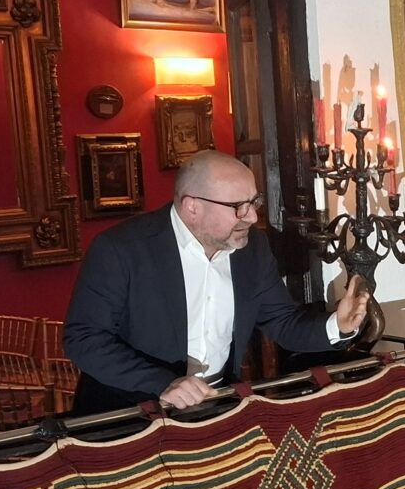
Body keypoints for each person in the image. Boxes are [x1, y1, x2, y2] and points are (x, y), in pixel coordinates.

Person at [63, 149, 370, 415]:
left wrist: (337, 325)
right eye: (238, 207)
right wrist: (162, 383)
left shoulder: (253, 249)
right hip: (128, 413)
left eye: (254, 202)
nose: (251, 217)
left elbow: (283, 322)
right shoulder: (120, 249)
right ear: (192, 207)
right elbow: (84, 338)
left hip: (215, 407)